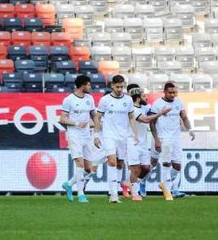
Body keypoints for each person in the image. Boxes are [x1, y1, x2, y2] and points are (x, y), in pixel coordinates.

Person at [93, 75, 138, 203]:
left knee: (120, 164)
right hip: (109, 135)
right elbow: (97, 117)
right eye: (117, 87)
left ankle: (116, 190)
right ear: (112, 85)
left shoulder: (128, 100)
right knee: (112, 161)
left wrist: (135, 134)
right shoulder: (105, 100)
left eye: (122, 87)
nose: (119, 89)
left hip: (123, 137)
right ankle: (113, 194)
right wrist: (96, 136)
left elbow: (131, 117)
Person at [150, 82, 196, 201]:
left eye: (174, 92)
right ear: (164, 92)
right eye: (170, 92)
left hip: (176, 138)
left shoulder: (179, 102)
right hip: (163, 138)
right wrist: (156, 139)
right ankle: (168, 191)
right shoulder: (157, 104)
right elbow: (152, 122)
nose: (172, 95)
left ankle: (164, 184)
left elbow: (184, 117)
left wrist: (190, 129)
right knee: (166, 163)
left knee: (177, 165)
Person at [126, 87, 171, 201]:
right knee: (135, 169)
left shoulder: (144, 107)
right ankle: (135, 194)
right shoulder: (133, 110)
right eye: (143, 96)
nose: (146, 97)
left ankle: (132, 183)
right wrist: (161, 113)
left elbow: (151, 112)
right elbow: (146, 120)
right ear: (137, 98)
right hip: (132, 142)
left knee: (146, 168)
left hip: (143, 144)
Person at [60, 75, 97, 203]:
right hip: (74, 135)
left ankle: (68, 184)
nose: (90, 87)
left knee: (88, 169)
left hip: (87, 135)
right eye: (88, 85)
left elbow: (94, 116)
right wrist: (76, 123)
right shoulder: (69, 100)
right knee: (79, 163)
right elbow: (62, 118)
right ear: (82, 86)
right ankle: (81, 194)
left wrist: (96, 128)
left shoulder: (90, 99)